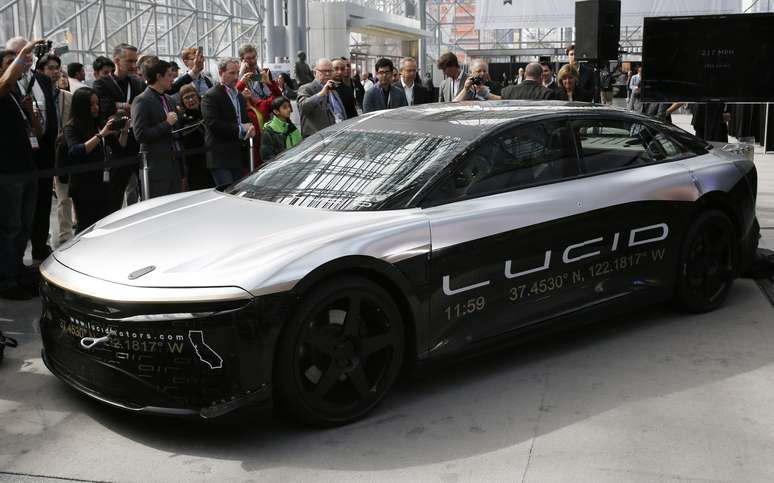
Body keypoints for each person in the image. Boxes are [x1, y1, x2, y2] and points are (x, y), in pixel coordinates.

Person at [0, 42, 45, 300]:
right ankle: (6, 279)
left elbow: (37, 133)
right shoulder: (3, 89)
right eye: (10, 63)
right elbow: (5, 81)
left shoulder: (16, 94)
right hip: (8, 172)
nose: (19, 67)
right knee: (10, 226)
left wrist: (30, 111)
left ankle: (16, 268)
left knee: (24, 225)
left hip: (27, 167)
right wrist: (22, 52)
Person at [63, 87, 128, 234]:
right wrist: (101, 135)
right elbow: (76, 151)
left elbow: (119, 149)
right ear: (82, 107)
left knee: (105, 222)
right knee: (86, 225)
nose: (96, 108)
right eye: (91, 105)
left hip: (103, 181)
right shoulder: (71, 127)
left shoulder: (100, 123)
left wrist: (124, 132)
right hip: (83, 184)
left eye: (97, 103)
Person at [92, 43, 145, 210]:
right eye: (130, 61)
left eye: (135, 61)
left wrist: (121, 106)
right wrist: (130, 106)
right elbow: (106, 110)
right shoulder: (102, 84)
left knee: (144, 191)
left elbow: (140, 109)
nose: (134, 65)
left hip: (137, 142)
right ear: (117, 60)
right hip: (116, 146)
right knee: (115, 193)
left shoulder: (137, 84)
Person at [23, 49, 59, 262]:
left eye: (28, 55)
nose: (26, 58)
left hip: (45, 150)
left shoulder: (42, 80)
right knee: (24, 205)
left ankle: (40, 245)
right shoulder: (9, 82)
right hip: (22, 153)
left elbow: (51, 115)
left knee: (44, 201)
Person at [131, 58, 182, 198]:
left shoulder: (169, 99)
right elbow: (140, 135)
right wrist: (166, 124)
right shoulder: (141, 100)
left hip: (173, 165)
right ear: (159, 77)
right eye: (169, 75)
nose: (173, 79)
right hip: (155, 168)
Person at [201, 57, 254, 185]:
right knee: (226, 193)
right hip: (221, 157)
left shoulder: (239, 96)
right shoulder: (210, 96)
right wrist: (242, 128)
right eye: (232, 73)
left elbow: (244, 120)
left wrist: (251, 128)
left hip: (237, 155)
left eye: (237, 72)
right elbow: (213, 124)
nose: (236, 76)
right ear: (221, 73)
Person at [296, 58, 347, 137]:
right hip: (316, 138)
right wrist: (322, 93)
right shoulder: (306, 88)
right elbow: (303, 106)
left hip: (337, 135)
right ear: (314, 72)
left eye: (330, 71)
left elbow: (340, 113)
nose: (327, 74)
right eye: (323, 71)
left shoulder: (333, 90)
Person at [176, 84, 213, 191]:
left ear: (198, 96)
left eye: (193, 96)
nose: (191, 100)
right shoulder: (182, 118)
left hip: (211, 158)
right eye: (186, 98)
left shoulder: (207, 111)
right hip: (194, 164)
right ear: (182, 101)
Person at [261, 96, 302, 160]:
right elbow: (267, 156)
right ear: (276, 111)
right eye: (284, 107)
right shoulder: (269, 130)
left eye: (289, 106)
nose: (289, 109)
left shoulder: (291, 126)